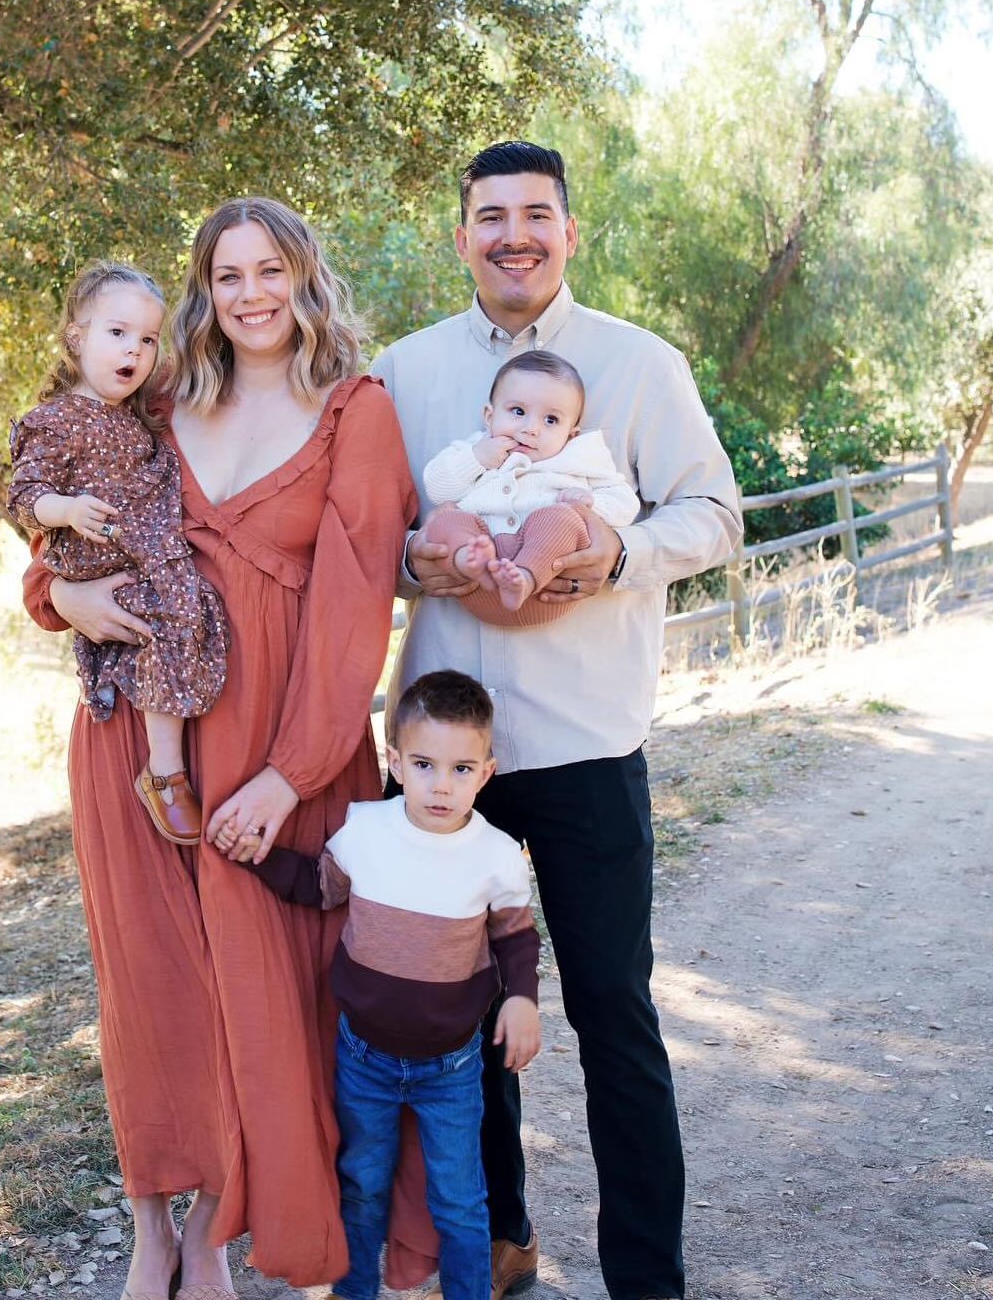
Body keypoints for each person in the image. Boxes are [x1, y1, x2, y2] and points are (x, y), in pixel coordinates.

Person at [21, 197, 417, 1300]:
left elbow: (354, 613)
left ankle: (220, 1232)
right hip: (132, 741)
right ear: (203, 287)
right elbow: (65, 543)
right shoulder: (159, 400)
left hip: (281, 751)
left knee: (267, 994)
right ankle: (154, 1224)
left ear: (304, 275)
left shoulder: (355, 408)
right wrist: (56, 590)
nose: (250, 293)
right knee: (151, 988)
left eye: (269, 269)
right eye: (227, 273)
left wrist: (292, 773)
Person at [371, 141, 742, 1300]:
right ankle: (496, 1249)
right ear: (462, 234)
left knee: (613, 1014)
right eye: (491, 215)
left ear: (569, 231)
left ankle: (646, 1275)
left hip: (587, 747)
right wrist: (415, 559)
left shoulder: (640, 364)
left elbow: (714, 513)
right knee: (452, 1022)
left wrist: (620, 551)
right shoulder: (403, 369)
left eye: (536, 213)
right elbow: (368, 545)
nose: (513, 233)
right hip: (443, 768)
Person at [235, 670, 542, 1300]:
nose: (440, 784)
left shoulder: (497, 855)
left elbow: (515, 938)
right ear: (395, 761)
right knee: (363, 1187)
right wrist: (256, 853)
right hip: (362, 1057)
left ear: (485, 773)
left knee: (459, 1201)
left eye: (461, 769)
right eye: (425, 763)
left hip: (452, 1067)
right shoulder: (367, 830)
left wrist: (521, 1000)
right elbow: (319, 888)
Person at [8, 261, 228, 842]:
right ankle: (165, 772)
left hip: (139, 549)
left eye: (148, 339)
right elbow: (25, 496)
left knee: (184, 609)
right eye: (117, 333)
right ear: (76, 337)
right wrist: (67, 509)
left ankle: (163, 756)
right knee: (166, 613)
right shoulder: (54, 422)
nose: (134, 349)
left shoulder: (133, 415)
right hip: (98, 547)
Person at [421, 349, 638, 620]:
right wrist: (476, 458)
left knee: (561, 517)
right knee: (446, 519)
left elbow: (626, 503)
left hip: (546, 585)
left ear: (570, 434)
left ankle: (523, 576)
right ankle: (472, 560)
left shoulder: (578, 458)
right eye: (518, 411)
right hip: (474, 587)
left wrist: (590, 503)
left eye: (551, 420)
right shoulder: (475, 450)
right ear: (489, 415)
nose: (531, 428)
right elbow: (437, 488)